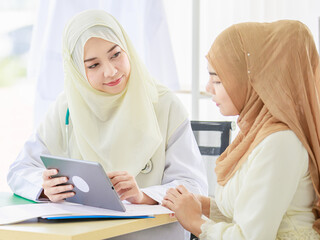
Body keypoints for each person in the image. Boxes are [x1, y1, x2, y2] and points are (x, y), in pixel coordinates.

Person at [7, 10, 207, 240]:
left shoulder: (165, 104)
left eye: (115, 55)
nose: (111, 71)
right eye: (93, 65)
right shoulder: (67, 106)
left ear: (127, 48)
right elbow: (19, 170)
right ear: (77, 71)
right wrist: (44, 187)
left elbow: (193, 186)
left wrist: (143, 195)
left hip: (150, 233)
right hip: (83, 234)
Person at [162, 20, 320, 239]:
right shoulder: (259, 132)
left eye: (216, 79)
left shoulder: (281, 141)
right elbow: (251, 210)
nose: (208, 88)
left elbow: (251, 236)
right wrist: (205, 206)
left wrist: (196, 222)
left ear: (251, 80)